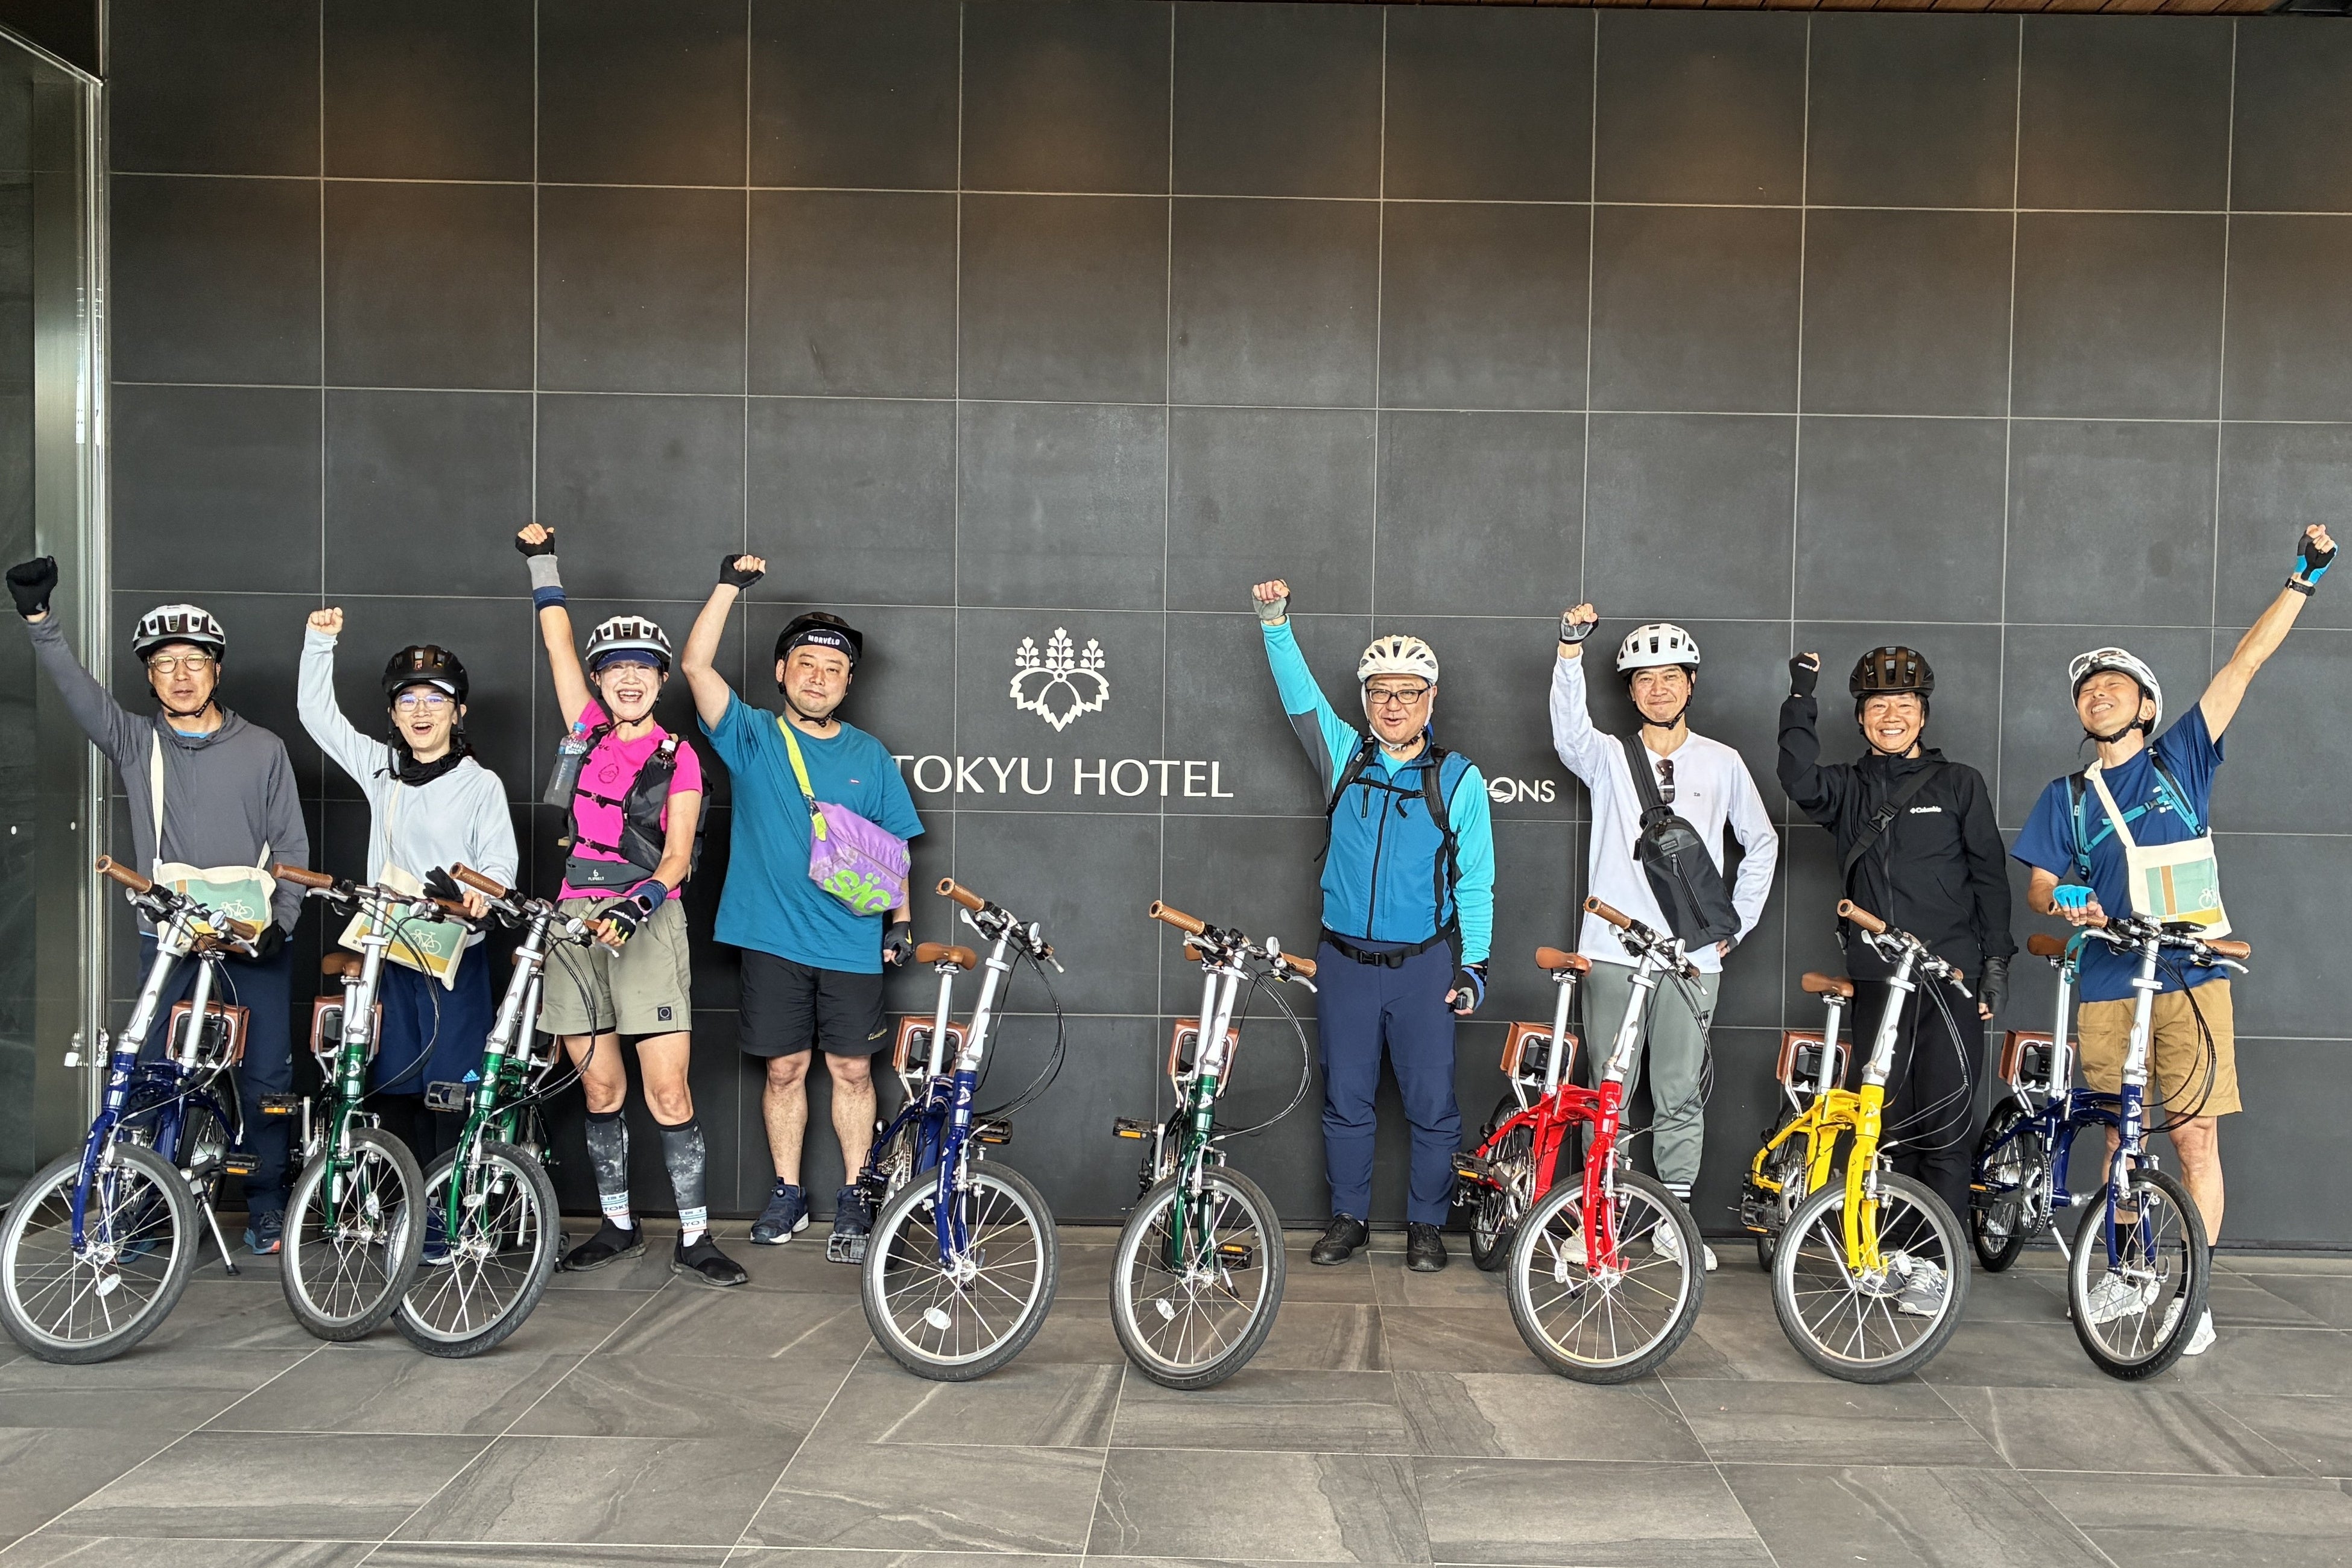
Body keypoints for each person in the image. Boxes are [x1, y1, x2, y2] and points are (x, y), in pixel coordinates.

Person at [2012, 523, 2336, 1359]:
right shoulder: (2065, 796)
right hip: (2108, 981)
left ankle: (2192, 1294)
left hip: (2191, 976)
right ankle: (2128, 1269)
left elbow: (2244, 666)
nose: (2098, 694)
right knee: (2121, 1137)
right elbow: (2039, 886)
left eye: (2115, 684)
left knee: (2193, 1136)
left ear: (2147, 707)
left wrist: (2301, 580)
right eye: (2088, 688)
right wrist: (2065, 897)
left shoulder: (2180, 759)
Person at [6, 557, 309, 1254]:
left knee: (266, 1074)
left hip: (252, 936)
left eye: (194, 660)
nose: (180, 674)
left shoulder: (263, 749)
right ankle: (145, 1208)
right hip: (171, 939)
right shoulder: (136, 740)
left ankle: (267, 1201)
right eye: (164, 663)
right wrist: (40, 621)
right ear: (149, 677)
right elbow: (78, 693)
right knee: (150, 1073)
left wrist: (282, 923)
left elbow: (292, 845)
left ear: (217, 670)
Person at [517, 524, 745, 1288]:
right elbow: (557, 643)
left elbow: (677, 857)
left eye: (642, 667)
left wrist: (637, 901)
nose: (628, 678)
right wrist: (543, 562)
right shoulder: (584, 733)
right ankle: (617, 1224)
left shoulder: (680, 756)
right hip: (573, 924)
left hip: (646, 923)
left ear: (659, 679)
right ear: (600, 679)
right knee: (600, 1087)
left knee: (667, 1089)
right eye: (614, 667)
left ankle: (695, 1236)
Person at [1250, 578, 1496, 1274]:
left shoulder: (1458, 779)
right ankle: (1349, 1216)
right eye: (1381, 691)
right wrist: (1275, 624)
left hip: (1423, 966)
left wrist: (1474, 966)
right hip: (1345, 964)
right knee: (1346, 1099)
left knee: (1432, 1106)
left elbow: (1476, 881)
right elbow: (1300, 698)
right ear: (1365, 700)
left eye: (1408, 692)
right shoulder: (1344, 757)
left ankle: (1426, 1224)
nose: (1394, 703)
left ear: (1430, 699)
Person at [681, 554, 923, 1259]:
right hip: (773, 939)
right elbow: (695, 666)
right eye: (807, 664)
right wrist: (727, 585)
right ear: (782, 671)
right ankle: (787, 1190)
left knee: (853, 1071)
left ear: (849, 682)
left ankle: (856, 1193)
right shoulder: (752, 735)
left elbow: (893, 847)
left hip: (851, 939)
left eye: (834, 668)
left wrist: (901, 922)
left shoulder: (870, 754)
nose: (819, 677)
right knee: (784, 1069)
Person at [1780, 642, 2012, 1310]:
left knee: (1946, 1119)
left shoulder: (1959, 783)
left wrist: (1995, 964)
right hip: (1880, 977)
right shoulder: (1847, 788)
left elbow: (1990, 877)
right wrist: (1801, 696)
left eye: (1904, 704)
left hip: (1951, 975)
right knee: (1888, 1122)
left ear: (1923, 714)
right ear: (1860, 718)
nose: (1891, 715)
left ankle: (1939, 1264)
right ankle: (1894, 1253)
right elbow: (1796, 776)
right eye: (1878, 705)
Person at [1551, 609, 1777, 1271]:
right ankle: (1599, 1219)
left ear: (1691, 683)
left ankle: (1676, 1224)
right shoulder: (1609, 757)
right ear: (1629, 690)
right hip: (1613, 949)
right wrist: (1569, 653)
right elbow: (1568, 731)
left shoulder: (1723, 761)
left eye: (1671, 676)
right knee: (1609, 1090)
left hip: (1691, 955)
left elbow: (1761, 842)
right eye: (1645, 679)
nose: (1659, 689)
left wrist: (1734, 925)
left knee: (1679, 1090)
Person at [296, 609, 517, 1206]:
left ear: (458, 711)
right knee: (394, 1086)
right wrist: (320, 642)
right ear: (393, 714)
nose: (422, 711)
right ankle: (406, 1212)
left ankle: (448, 1218)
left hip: (453, 959)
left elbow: (500, 863)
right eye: (408, 700)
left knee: (450, 1092)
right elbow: (317, 715)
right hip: (391, 953)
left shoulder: (480, 784)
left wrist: (483, 892)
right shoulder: (382, 771)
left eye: (436, 699)